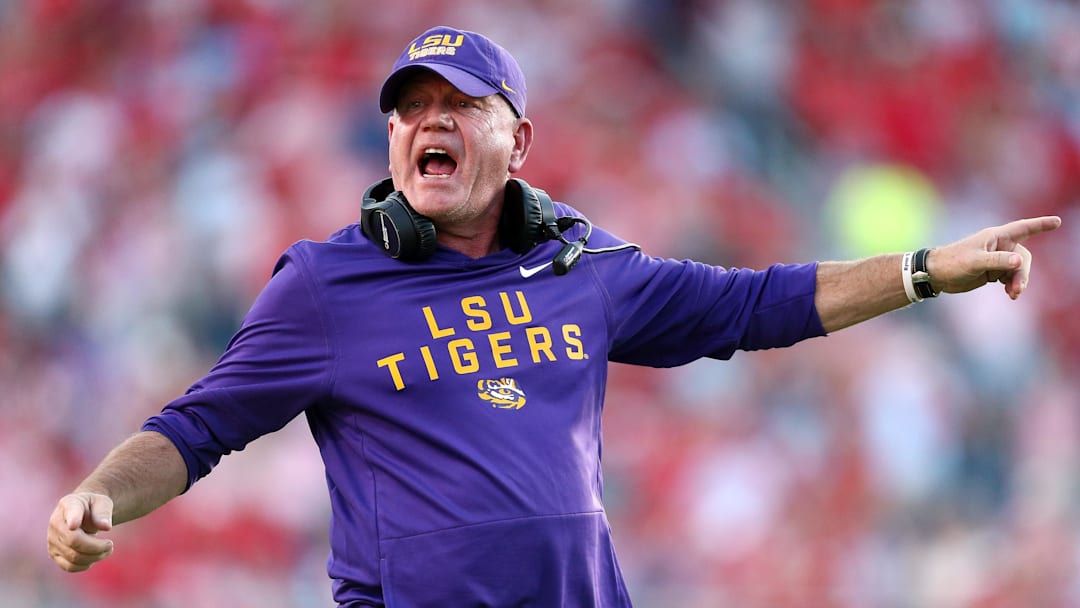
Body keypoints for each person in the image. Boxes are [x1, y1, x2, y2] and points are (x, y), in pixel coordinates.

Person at [46, 25, 1061, 607]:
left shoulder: (585, 267)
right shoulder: (324, 286)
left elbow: (762, 303)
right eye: (412, 104)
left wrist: (927, 269)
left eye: (462, 102)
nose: (430, 120)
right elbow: (198, 425)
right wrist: (100, 492)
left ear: (517, 138)